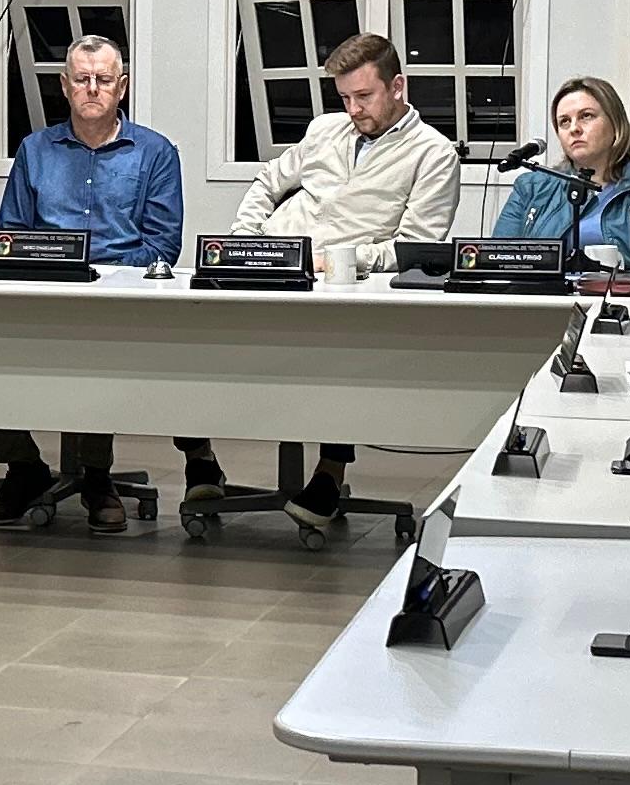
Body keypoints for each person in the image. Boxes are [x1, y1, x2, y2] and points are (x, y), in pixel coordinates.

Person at [190, 33, 460, 534]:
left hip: (345, 288)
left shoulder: (433, 154)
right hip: (273, 265)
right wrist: (243, 242)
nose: (353, 109)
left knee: (341, 351)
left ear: (397, 86)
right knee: (185, 337)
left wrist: (339, 260)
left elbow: (416, 249)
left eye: (364, 96)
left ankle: (329, 473)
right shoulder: (324, 130)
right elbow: (268, 182)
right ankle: (199, 458)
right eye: (345, 98)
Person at [0, 35, 186, 531]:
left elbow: (164, 246)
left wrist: (97, 270)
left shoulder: (155, 152)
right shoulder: (35, 150)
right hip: (43, 293)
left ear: (122, 87)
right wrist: (56, 267)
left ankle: (96, 475)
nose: (92, 88)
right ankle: (23, 467)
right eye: (82, 79)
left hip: (120, 299)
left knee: (96, 347)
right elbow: (11, 236)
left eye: (104, 79)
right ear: (65, 85)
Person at [491, 74, 630, 297]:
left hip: (622, 313)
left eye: (586, 116)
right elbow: (496, 267)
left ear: (616, 124)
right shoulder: (530, 187)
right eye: (564, 122)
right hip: (542, 312)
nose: (574, 129)